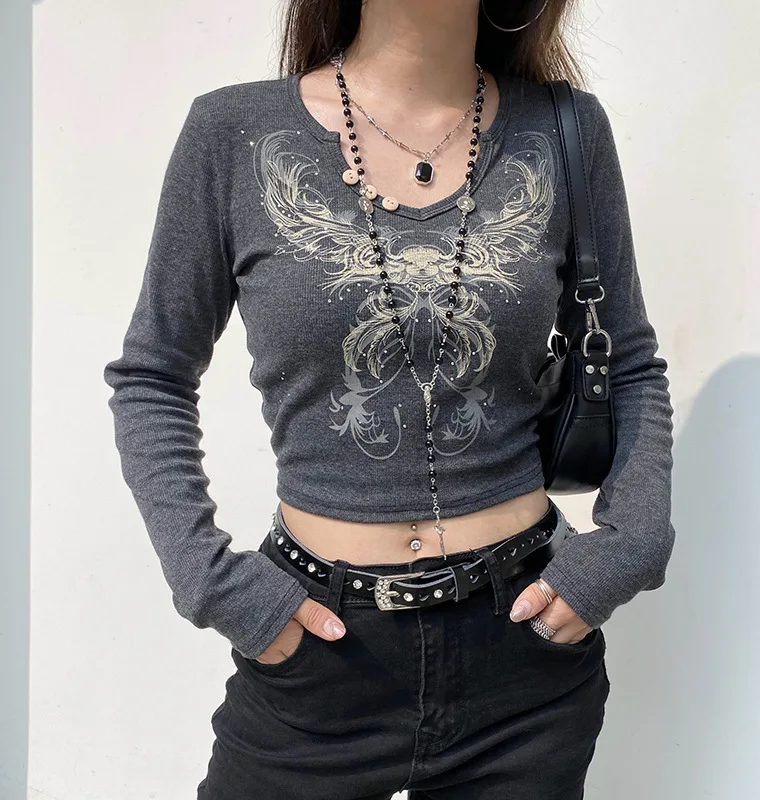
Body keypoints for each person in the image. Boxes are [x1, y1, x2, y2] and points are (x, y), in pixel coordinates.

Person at [103, 0, 676, 797]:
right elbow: (153, 377)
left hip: (526, 655)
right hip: (319, 650)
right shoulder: (232, 133)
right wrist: (212, 583)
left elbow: (629, 361)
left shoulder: (565, 130)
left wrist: (631, 544)